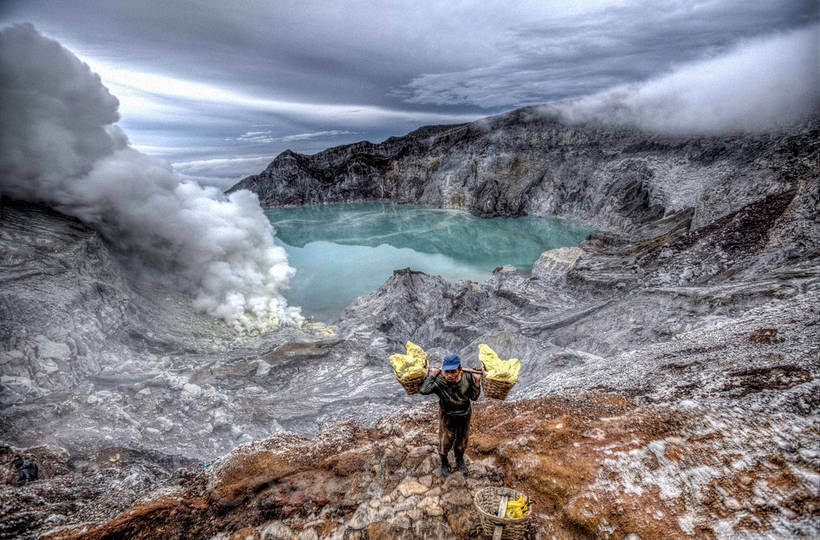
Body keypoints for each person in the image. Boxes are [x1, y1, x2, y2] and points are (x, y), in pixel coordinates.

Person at [419, 353, 481, 476]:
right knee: (445, 439)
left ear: (460, 369)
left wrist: (477, 381)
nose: (449, 375)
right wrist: (432, 375)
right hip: (447, 414)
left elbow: (474, 397)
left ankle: (459, 459)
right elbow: (423, 390)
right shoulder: (440, 380)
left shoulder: (467, 377)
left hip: (464, 414)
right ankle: (444, 461)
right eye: (446, 371)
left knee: (462, 439)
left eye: (453, 371)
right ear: (442, 371)